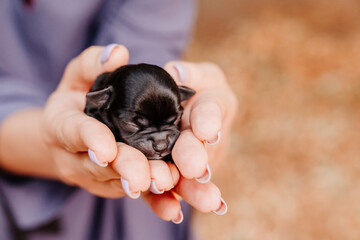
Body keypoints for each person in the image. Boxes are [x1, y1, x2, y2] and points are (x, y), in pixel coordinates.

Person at [0, 0, 237, 239]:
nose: (161, 143)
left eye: (172, 121)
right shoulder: (97, 103)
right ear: (101, 103)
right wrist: (46, 141)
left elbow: (152, 40)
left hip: (134, 202)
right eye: (138, 124)